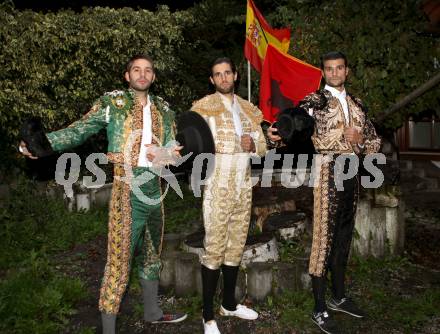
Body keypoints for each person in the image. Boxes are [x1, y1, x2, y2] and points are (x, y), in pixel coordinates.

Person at [19, 54, 187, 334]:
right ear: (127, 76)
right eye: (136, 70)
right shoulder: (113, 104)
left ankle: (152, 313)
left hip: (155, 190)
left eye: (148, 70)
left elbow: (173, 150)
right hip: (126, 189)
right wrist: (43, 144)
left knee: (151, 254)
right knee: (119, 260)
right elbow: (80, 129)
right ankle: (108, 329)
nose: (142, 74)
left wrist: (167, 153)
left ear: (154, 77)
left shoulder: (165, 110)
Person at [268, 51, 381, 334]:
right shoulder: (316, 100)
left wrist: (361, 139)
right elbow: (295, 121)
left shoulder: (357, 104)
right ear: (324, 72)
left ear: (347, 71)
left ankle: (339, 296)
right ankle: (319, 308)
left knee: (343, 237)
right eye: (329, 69)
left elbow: (375, 142)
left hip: (352, 174)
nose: (334, 73)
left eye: (339, 68)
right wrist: (280, 131)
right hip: (329, 171)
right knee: (323, 239)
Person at [190, 57, 267, 334]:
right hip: (217, 185)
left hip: (243, 186)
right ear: (212, 80)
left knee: (236, 245)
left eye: (227, 73)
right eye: (217, 75)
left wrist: (253, 142)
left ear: (235, 75)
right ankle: (207, 315)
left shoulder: (248, 110)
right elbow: (191, 143)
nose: (223, 78)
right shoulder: (203, 108)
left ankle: (229, 304)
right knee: (214, 247)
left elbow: (262, 147)